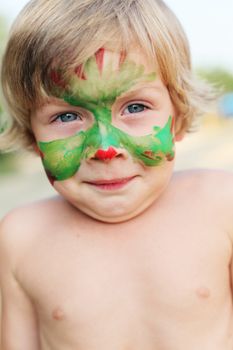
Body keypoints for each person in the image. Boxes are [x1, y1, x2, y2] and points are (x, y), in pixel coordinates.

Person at [0, 0, 232, 348]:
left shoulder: (221, 205)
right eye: (66, 116)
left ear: (179, 115)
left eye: (135, 107)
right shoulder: (20, 239)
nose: (105, 149)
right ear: (33, 136)